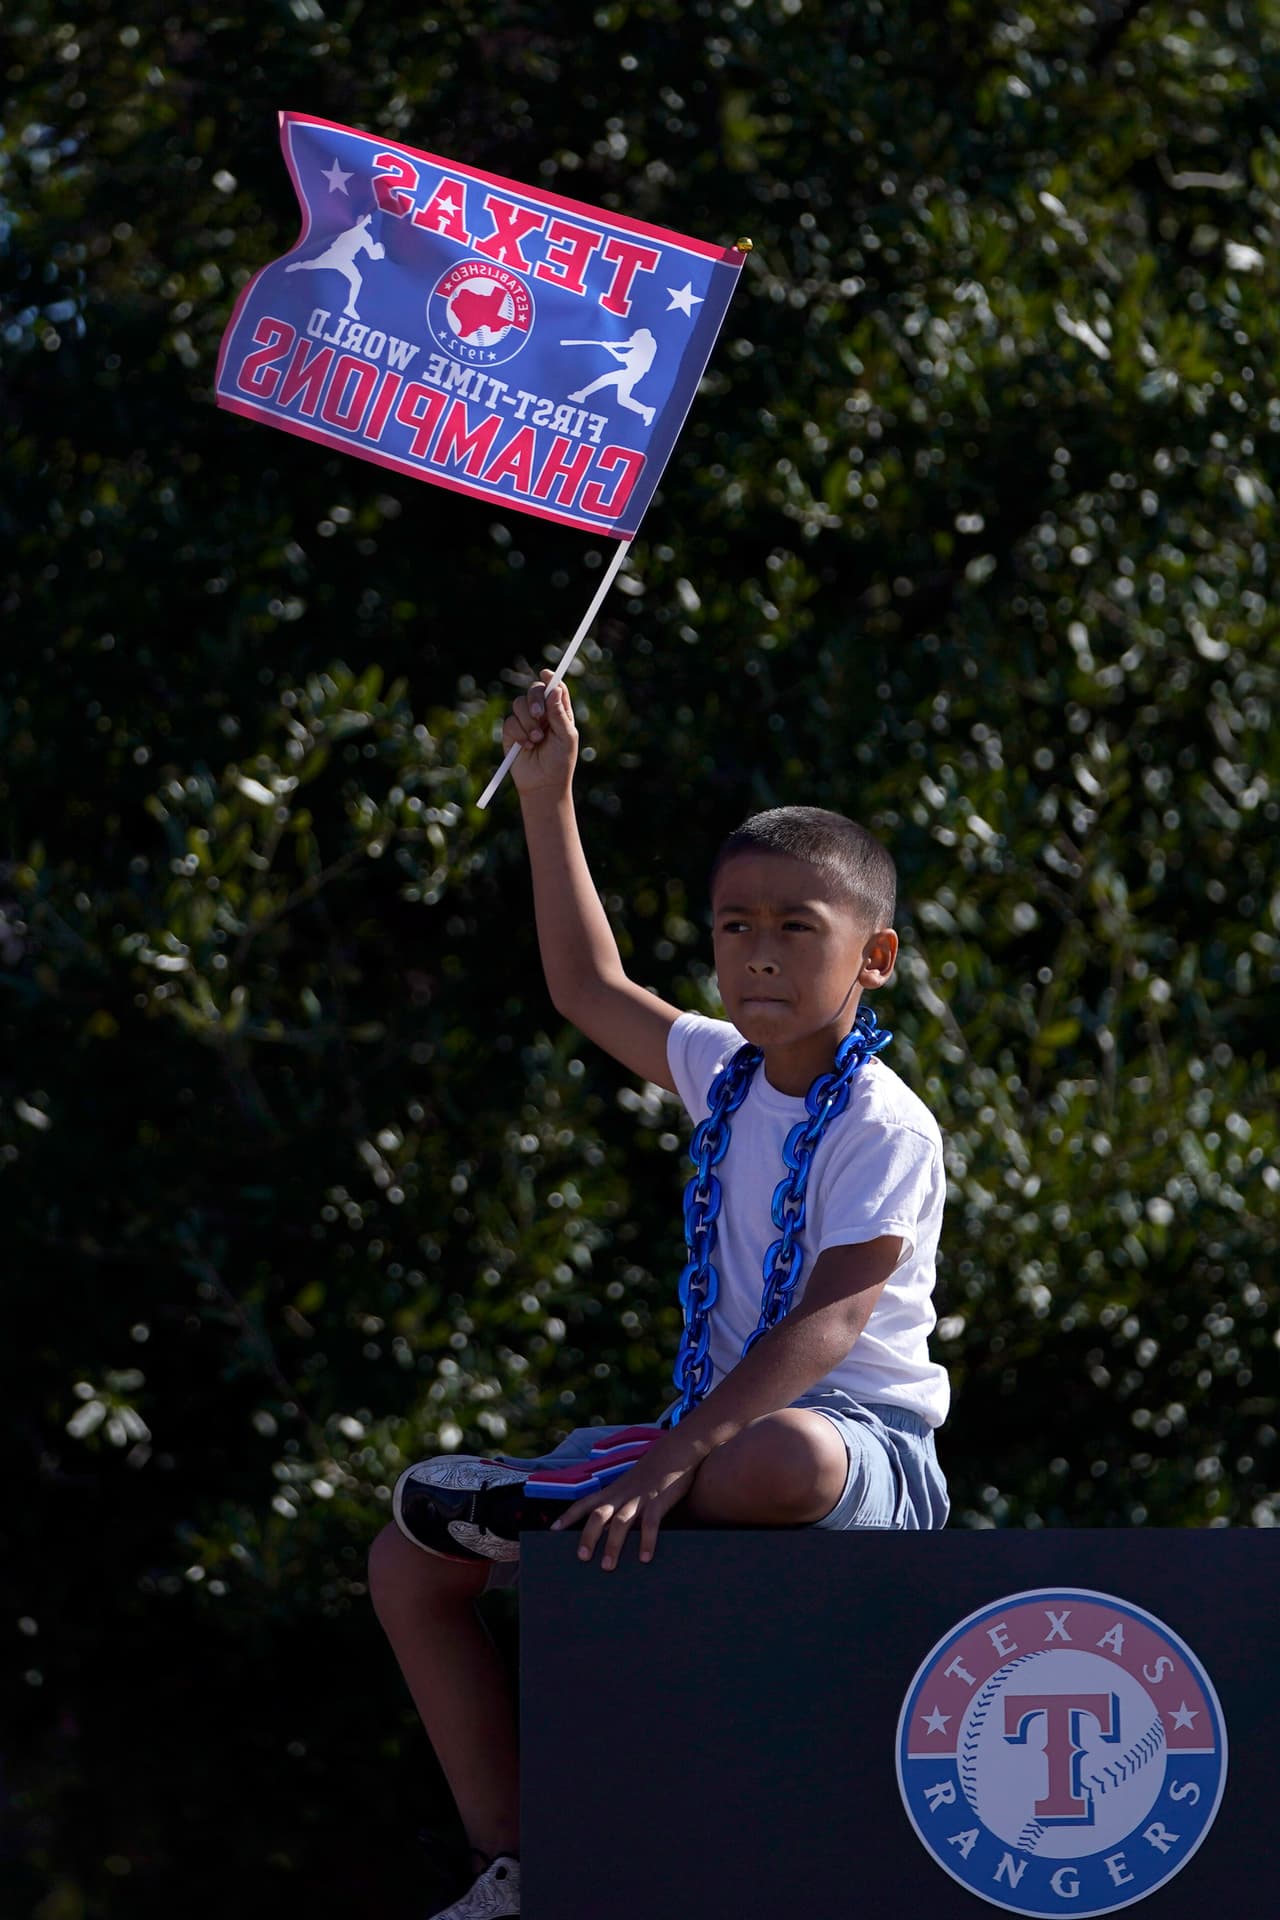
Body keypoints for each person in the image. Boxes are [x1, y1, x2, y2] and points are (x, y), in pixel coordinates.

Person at [366, 669, 950, 1918]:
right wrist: (547, 791)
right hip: (695, 1442)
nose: (756, 954)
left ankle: (562, 1491)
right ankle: (517, 1859)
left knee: (778, 1461)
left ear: (874, 958)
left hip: (853, 1459)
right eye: (733, 926)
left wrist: (672, 1460)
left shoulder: (885, 1122)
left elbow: (832, 1323)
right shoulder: (719, 1069)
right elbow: (586, 987)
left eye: (797, 927)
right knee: (402, 1565)